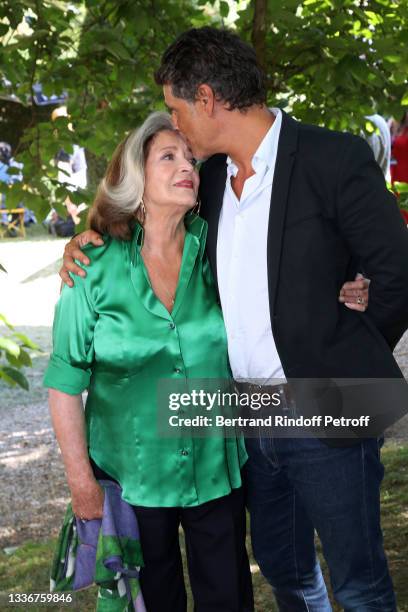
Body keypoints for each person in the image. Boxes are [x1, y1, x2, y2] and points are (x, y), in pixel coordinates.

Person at [58, 27, 408, 611]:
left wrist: (347, 351)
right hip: (244, 419)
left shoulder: (333, 158)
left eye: (176, 108)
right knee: (284, 568)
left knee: (358, 581)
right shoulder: (211, 182)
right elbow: (148, 226)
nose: (178, 129)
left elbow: (396, 272)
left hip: (327, 404)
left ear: (206, 99)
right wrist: (87, 233)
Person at [44, 112, 253, 612]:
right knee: (149, 603)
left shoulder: (218, 251)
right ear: (135, 179)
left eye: (190, 159)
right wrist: (80, 482)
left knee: (229, 599)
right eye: (169, 157)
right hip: (130, 476)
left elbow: (280, 290)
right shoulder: (91, 267)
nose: (188, 167)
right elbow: (64, 382)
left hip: (215, 469)